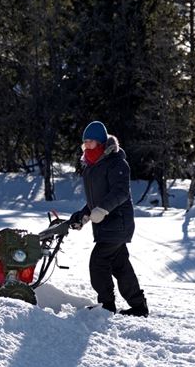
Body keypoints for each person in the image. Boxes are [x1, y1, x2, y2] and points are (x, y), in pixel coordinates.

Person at [69, 120, 149, 317]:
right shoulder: (91, 166)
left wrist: (103, 209)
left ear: (101, 143)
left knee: (98, 262)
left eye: (91, 142)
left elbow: (121, 192)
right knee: (121, 265)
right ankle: (139, 307)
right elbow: (96, 200)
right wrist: (83, 215)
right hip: (105, 225)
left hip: (118, 223)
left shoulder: (116, 163)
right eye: (84, 142)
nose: (87, 146)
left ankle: (106, 305)